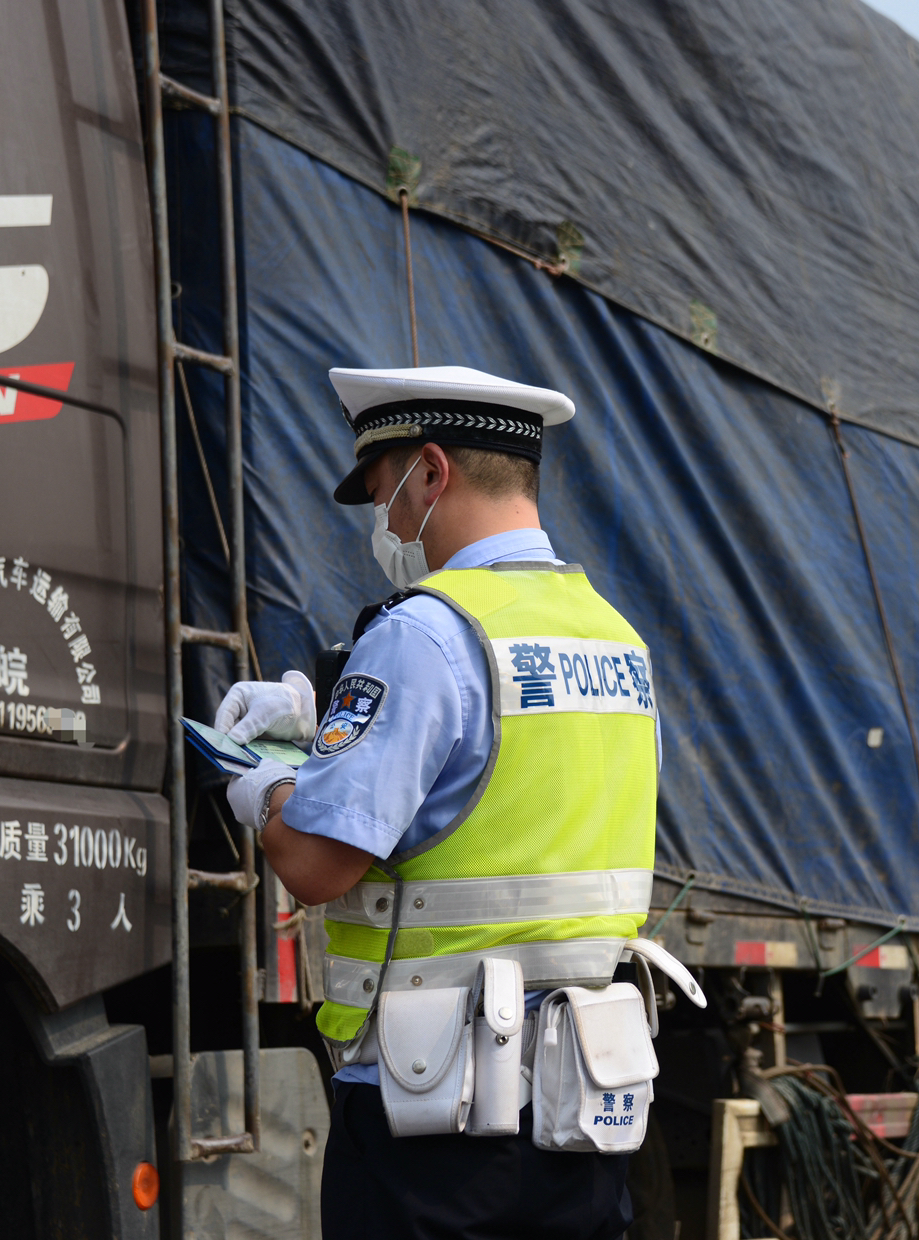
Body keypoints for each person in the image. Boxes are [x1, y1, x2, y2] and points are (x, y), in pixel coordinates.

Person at [217, 365, 664, 1240]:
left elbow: (313, 864)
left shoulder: (423, 631)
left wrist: (261, 782)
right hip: (584, 1102)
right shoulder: (617, 640)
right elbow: (503, 797)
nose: (382, 523)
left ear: (431, 472)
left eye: (382, 494)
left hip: (435, 1115)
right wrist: (332, 741)